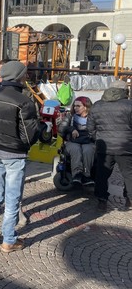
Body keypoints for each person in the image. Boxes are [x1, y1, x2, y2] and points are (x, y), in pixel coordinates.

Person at [0, 61, 40, 252]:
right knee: (12, 198)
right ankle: (8, 241)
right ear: (18, 76)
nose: (26, 76)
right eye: (24, 74)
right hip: (14, 153)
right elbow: (29, 135)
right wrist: (23, 144)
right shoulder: (24, 101)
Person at [87, 79, 132, 211]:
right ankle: (129, 200)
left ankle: (102, 201)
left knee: (102, 174)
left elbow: (90, 128)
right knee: (129, 174)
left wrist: (99, 138)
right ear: (124, 91)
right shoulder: (129, 105)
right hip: (125, 146)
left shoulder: (97, 105)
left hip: (104, 147)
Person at [58, 96, 95, 186]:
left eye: (78, 106)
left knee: (88, 150)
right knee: (76, 149)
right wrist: (71, 129)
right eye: (74, 106)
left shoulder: (92, 118)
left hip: (88, 141)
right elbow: (61, 129)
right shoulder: (71, 116)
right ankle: (77, 175)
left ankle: (87, 176)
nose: (75, 108)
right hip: (73, 141)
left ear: (86, 107)